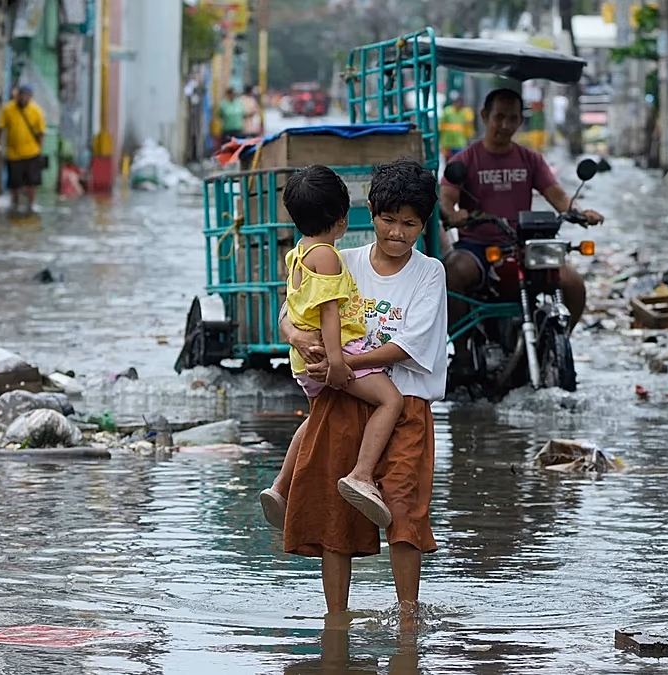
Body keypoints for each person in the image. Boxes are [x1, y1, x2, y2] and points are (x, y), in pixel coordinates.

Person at [275, 159, 445, 632]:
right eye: (389, 220)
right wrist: (297, 339)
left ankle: (408, 621)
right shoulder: (340, 258)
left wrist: (340, 364)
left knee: (405, 513)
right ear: (369, 213)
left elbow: (408, 345)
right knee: (336, 516)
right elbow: (288, 313)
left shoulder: (429, 274)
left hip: (405, 403)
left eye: (409, 224)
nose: (397, 232)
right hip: (343, 401)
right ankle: (336, 622)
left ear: (423, 225)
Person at [258, 165, 405, 529]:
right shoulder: (327, 256)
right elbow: (329, 314)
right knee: (391, 401)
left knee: (314, 420)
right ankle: (362, 473)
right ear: (341, 218)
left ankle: (280, 487)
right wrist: (340, 365)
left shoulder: (297, 253)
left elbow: (292, 306)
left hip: (303, 361)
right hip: (335, 355)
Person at [437, 88, 603, 366]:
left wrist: (579, 213)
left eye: (512, 118)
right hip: (477, 247)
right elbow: (447, 198)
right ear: (484, 116)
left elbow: (559, 196)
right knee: (452, 271)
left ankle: (555, 347)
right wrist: (454, 215)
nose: (504, 125)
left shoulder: (531, 159)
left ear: (519, 122)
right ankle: (463, 353)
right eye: (498, 117)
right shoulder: (464, 160)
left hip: (520, 245)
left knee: (573, 283)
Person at [0, 85, 47, 214]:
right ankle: (15, 203)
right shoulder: (8, 109)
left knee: (32, 181)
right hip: (13, 153)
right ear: (17, 95)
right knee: (15, 182)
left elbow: (41, 132)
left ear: (30, 97)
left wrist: (39, 149)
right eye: (21, 94)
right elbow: (0, 128)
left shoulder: (36, 111)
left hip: (32, 152)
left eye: (26, 95)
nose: (23, 98)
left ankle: (32, 204)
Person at [439, 92, 474, 161]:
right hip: (448, 142)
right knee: (448, 161)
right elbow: (441, 126)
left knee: (459, 161)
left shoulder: (464, 112)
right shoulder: (448, 111)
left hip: (459, 142)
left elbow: (469, 124)